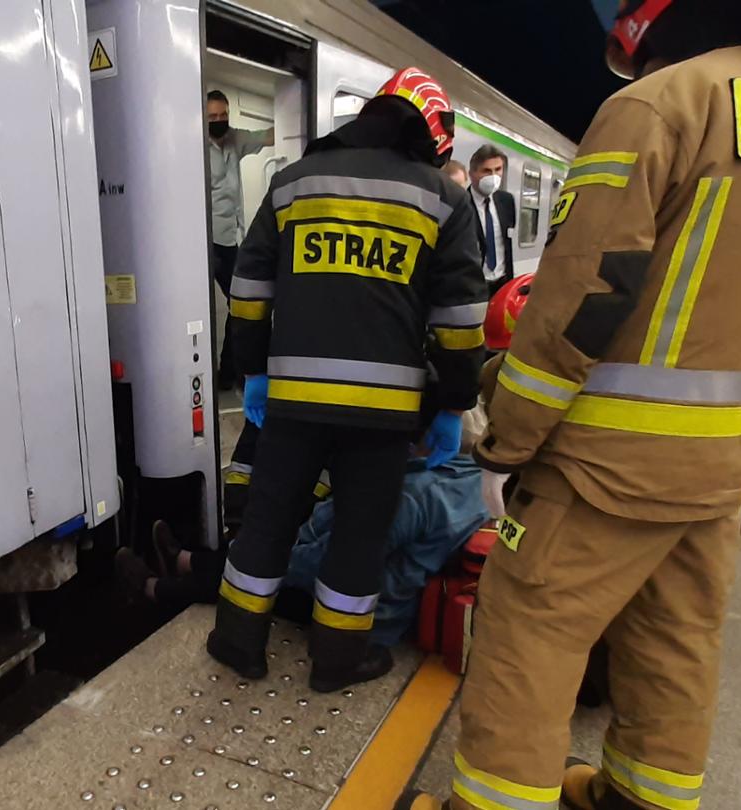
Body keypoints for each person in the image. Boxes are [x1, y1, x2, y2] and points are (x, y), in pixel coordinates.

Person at [406, 1, 741, 807]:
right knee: (676, 642)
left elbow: (588, 294)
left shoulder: (658, 104)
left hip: (603, 465)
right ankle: (640, 799)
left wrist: (506, 439)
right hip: (726, 467)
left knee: (530, 637)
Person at [213, 66, 487, 694]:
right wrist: (453, 403)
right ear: (431, 132)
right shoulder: (442, 199)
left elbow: (250, 290)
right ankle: (337, 662)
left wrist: (253, 371)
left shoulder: (293, 183)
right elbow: (461, 321)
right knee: (361, 535)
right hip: (384, 414)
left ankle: (238, 645)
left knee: (268, 522)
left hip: (293, 400)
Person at [120, 416, 490, 646]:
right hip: (389, 598)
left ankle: (156, 590)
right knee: (263, 558)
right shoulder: (467, 475)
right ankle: (182, 560)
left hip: (365, 614)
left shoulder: (412, 496)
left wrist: (270, 555)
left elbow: (318, 565)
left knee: (257, 580)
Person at [206, 89, 275, 386]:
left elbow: (270, 135)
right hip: (205, 240)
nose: (219, 121)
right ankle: (225, 373)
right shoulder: (193, 144)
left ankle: (228, 372)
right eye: (213, 117)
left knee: (240, 303)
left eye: (223, 115)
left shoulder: (236, 138)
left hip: (231, 237)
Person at [468, 145, 518, 289]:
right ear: (472, 173)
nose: (493, 176)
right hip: (475, 286)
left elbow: (508, 241)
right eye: (486, 171)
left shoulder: (506, 201)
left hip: (502, 283)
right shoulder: (462, 204)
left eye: (498, 169)